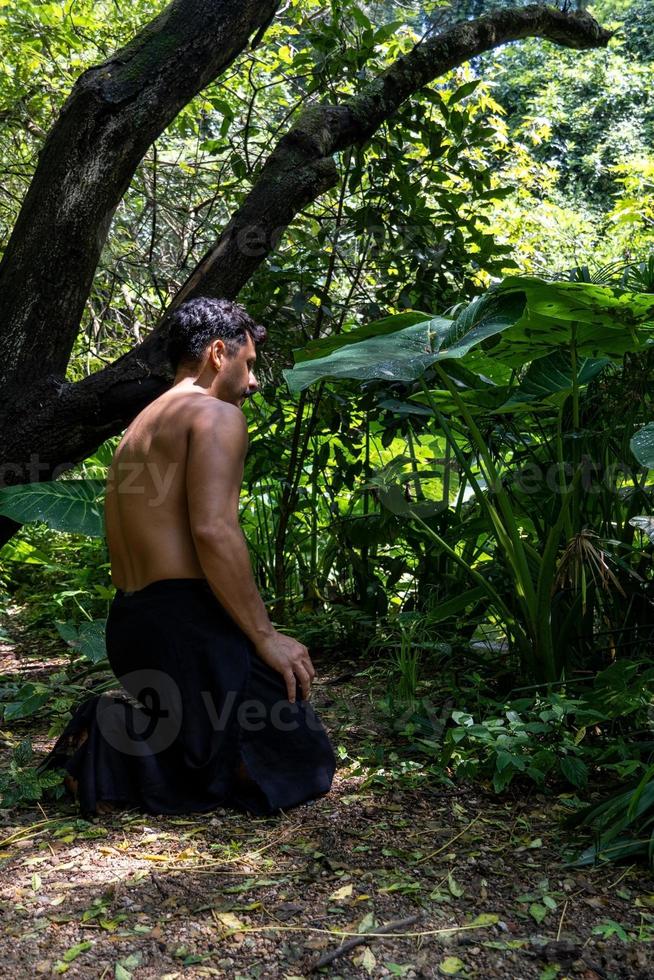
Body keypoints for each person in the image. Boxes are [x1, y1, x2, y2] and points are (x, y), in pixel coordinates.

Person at [39, 297, 336, 817]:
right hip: (185, 626)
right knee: (301, 759)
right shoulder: (215, 415)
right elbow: (214, 530)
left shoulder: (141, 425)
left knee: (249, 733)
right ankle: (110, 745)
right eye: (248, 365)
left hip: (132, 627)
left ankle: (137, 737)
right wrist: (265, 636)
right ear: (218, 353)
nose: (254, 382)